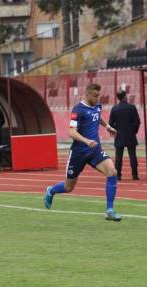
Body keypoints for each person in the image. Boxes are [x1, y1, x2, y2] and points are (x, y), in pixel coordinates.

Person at [43, 83, 122, 222]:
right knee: (69, 187)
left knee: (112, 172)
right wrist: (86, 141)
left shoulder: (97, 106)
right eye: (95, 96)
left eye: (99, 96)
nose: (98, 99)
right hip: (79, 153)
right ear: (87, 94)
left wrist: (108, 126)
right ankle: (51, 190)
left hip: (95, 150)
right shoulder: (78, 110)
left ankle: (109, 210)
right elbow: (71, 132)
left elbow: (97, 117)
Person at [109, 89, 140, 180]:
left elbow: (110, 124)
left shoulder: (114, 109)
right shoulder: (132, 107)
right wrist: (134, 131)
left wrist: (116, 131)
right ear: (125, 96)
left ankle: (118, 175)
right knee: (133, 156)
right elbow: (137, 122)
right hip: (130, 135)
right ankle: (135, 175)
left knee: (118, 157)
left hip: (119, 135)